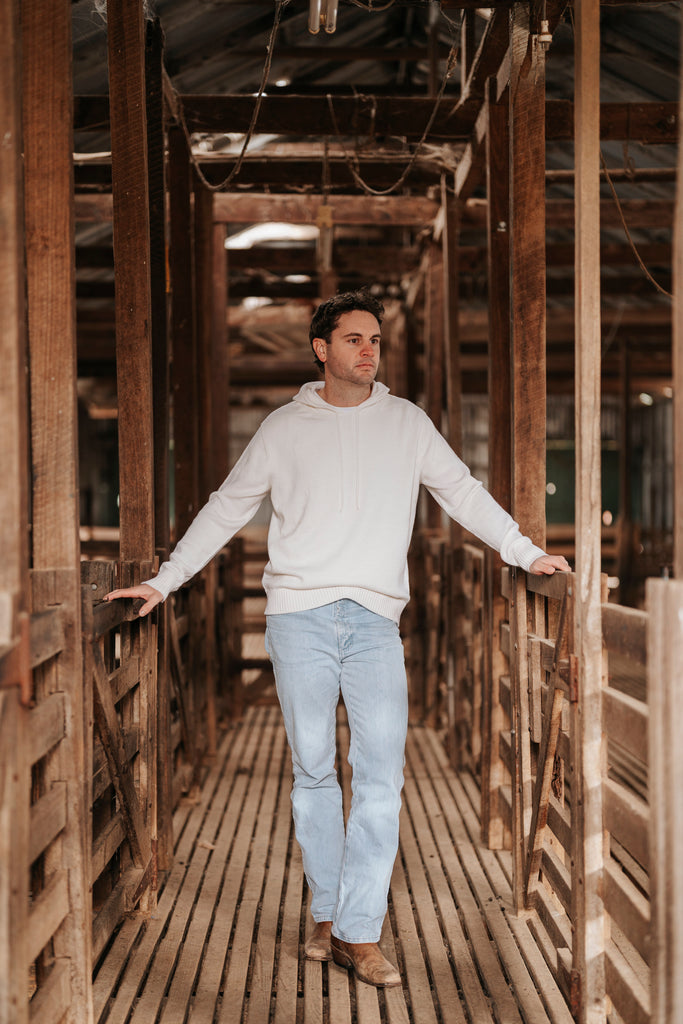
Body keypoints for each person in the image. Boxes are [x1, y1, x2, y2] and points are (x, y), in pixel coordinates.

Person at [106, 288, 569, 988]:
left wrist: (523, 551)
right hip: (298, 618)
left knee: (381, 775)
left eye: (375, 340)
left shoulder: (407, 422)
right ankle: (326, 914)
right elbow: (224, 509)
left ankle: (359, 931)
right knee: (314, 772)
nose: (369, 350)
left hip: (375, 622)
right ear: (321, 349)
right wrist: (164, 583)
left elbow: (462, 491)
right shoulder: (282, 429)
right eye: (354, 339)